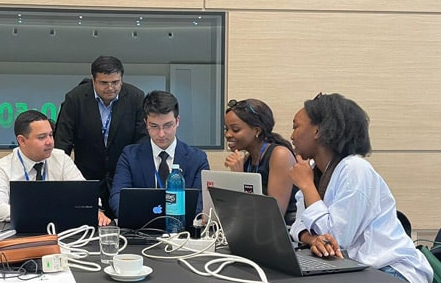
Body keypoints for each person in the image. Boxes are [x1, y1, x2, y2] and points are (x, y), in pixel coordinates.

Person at [287, 93, 433, 283]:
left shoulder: (355, 169)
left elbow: (337, 238)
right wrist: (312, 239)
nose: (291, 136)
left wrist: (307, 187)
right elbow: (299, 226)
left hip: (396, 281)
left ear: (318, 131)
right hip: (358, 275)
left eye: (296, 126)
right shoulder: (315, 172)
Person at [54, 56, 147, 220]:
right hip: (85, 178)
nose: (110, 88)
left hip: (124, 179)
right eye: (104, 83)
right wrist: (58, 182)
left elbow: (142, 142)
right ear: (93, 80)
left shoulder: (136, 98)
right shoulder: (75, 99)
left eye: (116, 82)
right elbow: (62, 143)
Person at [0, 110, 111, 226]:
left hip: (58, 231)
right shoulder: (2, 168)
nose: (50, 142)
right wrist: (38, 214)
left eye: (51, 135)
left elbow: (85, 194)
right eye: (42, 137)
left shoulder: (61, 159)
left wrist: (96, 210)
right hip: (20, 232)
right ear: (22, 141)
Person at [110, 90, 210, 219]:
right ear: (146, 123)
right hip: (141, 229)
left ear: (177, 121)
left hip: (183, 231)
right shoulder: (130, 156)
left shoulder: (197, 159)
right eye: (154, 126)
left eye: (168, 126)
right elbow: (118, 197)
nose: (161, 134)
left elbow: (200, 202)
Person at [224, 98, 298, 225]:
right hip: (257, 233)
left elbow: (274, 215)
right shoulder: (248, 159)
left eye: (235, 129)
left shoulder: (280, 155)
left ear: (257, 131)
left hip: (288, 237)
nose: (227, 135)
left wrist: (240, 178)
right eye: (226, 129)